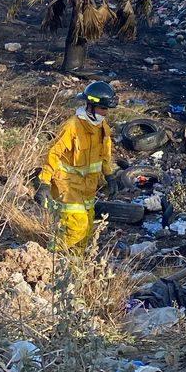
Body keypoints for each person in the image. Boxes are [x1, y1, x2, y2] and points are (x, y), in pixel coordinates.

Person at [37, 81, 118, 250]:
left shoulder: (102, 128)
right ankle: (50, 257)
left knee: (86, 230)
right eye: (103, 108)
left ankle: (73, 266)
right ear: (91, 105)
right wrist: (44, 183)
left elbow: (105, 155)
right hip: (67, 186)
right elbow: (53, 154)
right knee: (75, 228)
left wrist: (110, 176)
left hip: (88, 188)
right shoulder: (72, 126)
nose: (105, 113)